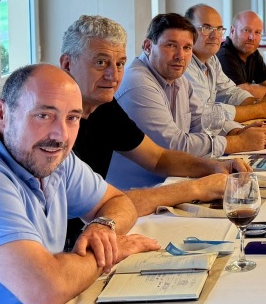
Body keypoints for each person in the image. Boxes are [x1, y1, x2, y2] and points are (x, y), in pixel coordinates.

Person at [0, 64, 160, 304]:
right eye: (44, 115)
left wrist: (103, 226)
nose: (61, 135)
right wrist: (110, 251)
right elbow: (46, 287)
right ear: (1, 114)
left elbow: (118, 202)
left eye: (72, 118)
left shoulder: (53, 157)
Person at [60, 15, 251, 220]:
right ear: (67, 64)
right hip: (78, 232)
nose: (113, 76)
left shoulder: (103, 106)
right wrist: (196, 188)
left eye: (120, 64)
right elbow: (99, 205)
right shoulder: (54, 125)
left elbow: (157, 157)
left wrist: (214, 167)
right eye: (100, 62)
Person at [111, 13, 266, 190]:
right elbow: (173, 146)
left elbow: (202, 119)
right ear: (148, 46)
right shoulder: (138, 83)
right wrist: (239, 142)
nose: (180, 55)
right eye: (171, 45)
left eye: (187, 47)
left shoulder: (178, 79)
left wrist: (238, 131)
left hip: (174, 182)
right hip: (141, 193)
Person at [183, 4, 266, 122]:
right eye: (207, 28)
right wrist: (260, 109)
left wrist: (260, 103)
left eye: (219, 29)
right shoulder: (184, 64)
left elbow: (230, 92)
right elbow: (206, 115)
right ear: (188, 31)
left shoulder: (212, 60)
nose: (215, 35)